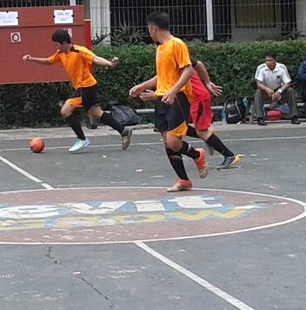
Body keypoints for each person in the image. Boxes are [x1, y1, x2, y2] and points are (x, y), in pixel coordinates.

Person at [129, 12, 207, 193]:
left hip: (178, 97)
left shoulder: (176, 44)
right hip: (162, 97)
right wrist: (142, 86)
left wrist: (173, 91)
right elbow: (162, 76)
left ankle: (197, 154)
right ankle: (184, 180)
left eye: (148, 29)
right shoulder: (160, 48)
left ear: (153, 28)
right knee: (166, 141)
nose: (148, 32)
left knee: (173, 141)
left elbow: (188, 70)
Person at [22, 28, 131, 153]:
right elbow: (48, 61)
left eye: (57, 44)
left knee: (65, 110)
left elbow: (95, 59)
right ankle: (123, 131)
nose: (56, 47)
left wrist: (110, 64)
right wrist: (32, 59)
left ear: (64, 43)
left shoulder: (79, 51)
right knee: (96, 113)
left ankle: (82, 139)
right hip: (83, 87)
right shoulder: (60, 54)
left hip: (86, 87)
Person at [187, 59, 240, 169]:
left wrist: (207, 82)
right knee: (179, 126)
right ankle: (209, 137)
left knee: (201, 132)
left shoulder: (177, 53)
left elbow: (198, 63)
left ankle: (229, 155)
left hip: (198, 98)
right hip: (189, 98)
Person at [252, 53, 299, 125]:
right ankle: (260, 118)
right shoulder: (261, 68)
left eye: (270, 60)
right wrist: (267, 89)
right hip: (266, 91)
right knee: (258, 92)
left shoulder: (281, 68)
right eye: (266, 60)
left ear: (275, 60)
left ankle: (294, 117)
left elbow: (287, 83)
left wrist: (279, 91)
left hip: (279, 90)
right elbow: (259, 84)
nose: (268, 62)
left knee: (290, 91)